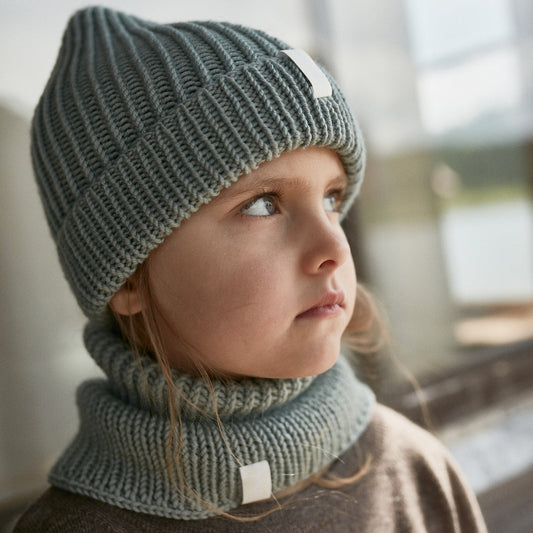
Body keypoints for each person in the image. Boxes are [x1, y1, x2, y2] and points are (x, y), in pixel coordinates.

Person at [14, 6, 487, 532]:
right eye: (263, 204)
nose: (334, 245)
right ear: (127, 276)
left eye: (332, 199)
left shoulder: (411, 468)